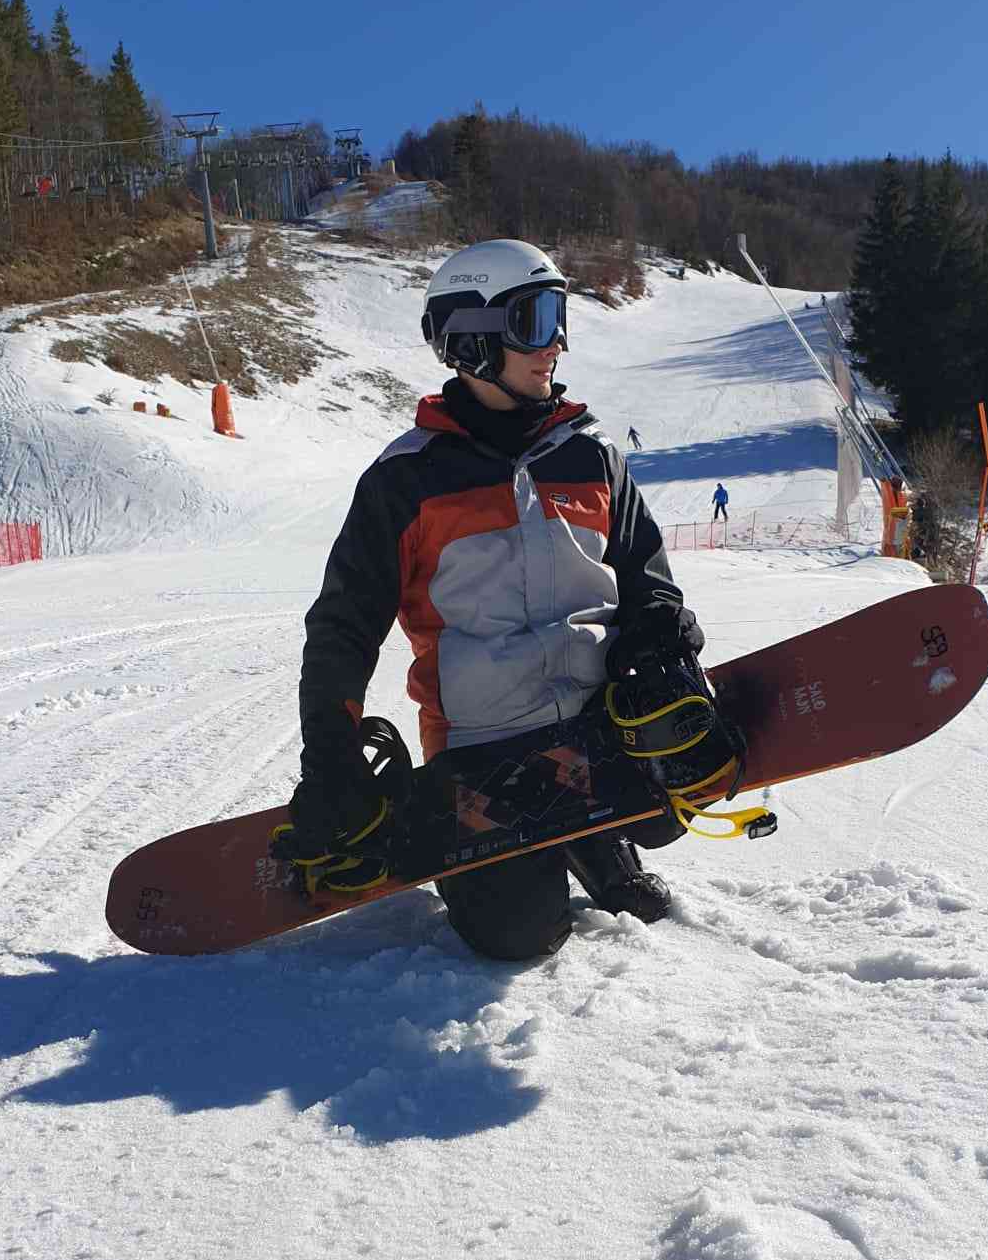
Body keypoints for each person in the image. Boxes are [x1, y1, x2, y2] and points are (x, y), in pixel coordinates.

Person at [287, 239, 705, 961]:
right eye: (534, 321)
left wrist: (660, 631)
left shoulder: (593, 456)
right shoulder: (406, 480)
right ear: (473, 339)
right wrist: (332, 754)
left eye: (559, 319)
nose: (556, 344)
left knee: (677, 794)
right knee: (520, 935)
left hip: (597, 726)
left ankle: (595, 835)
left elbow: (647, 578)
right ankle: (497, 849)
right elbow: (342, 628)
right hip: (483, 749)